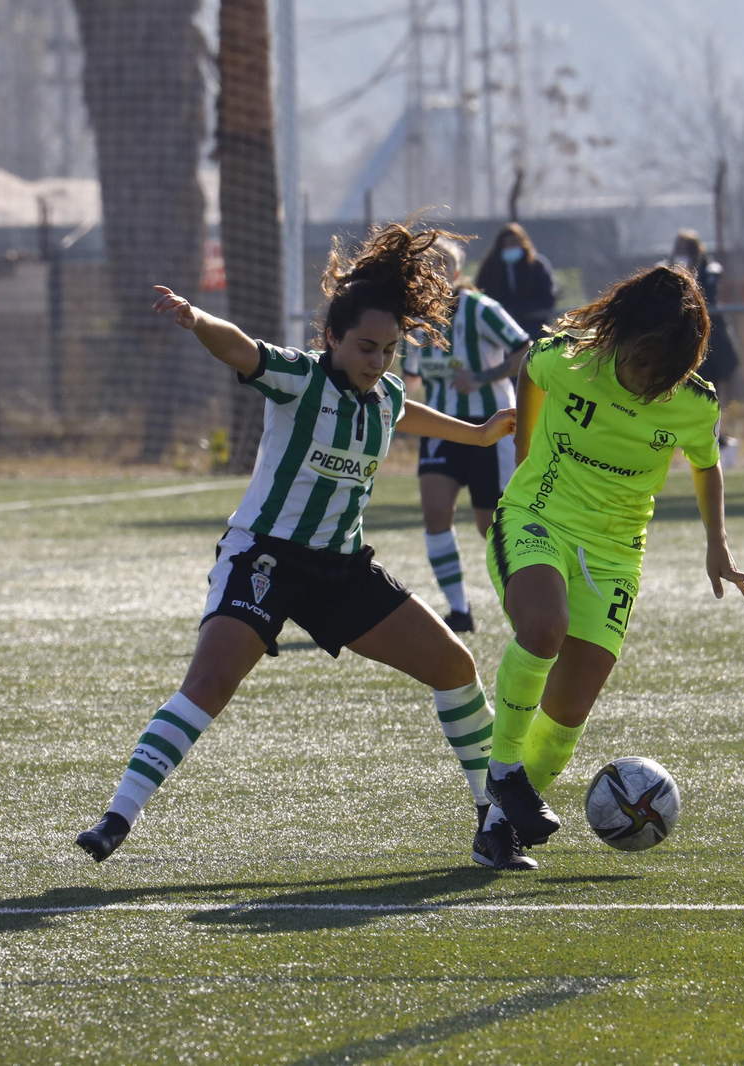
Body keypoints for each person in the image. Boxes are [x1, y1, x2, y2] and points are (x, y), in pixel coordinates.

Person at [74, 224, 517, 864]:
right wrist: (196, 317)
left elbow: (405, 412)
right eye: (365, 346)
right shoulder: (298, 379)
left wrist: (477, 436)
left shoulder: (385, 394)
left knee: (456, 668)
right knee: (209, 683)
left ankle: (492, 820)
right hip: (265, 558)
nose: (376, 361)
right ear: (333, 336)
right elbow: (242, 349)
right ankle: (117, 817)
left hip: (344, 571)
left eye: (388, 351)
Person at [474, 265, 744, 871]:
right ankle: (503, 773)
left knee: (571, 707)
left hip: (615, 553)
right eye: (640, 359)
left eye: (663, 370)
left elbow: (706, 466)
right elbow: (528, 365)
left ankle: (498, 829)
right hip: (538, 516)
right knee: (544, 629)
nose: (645, 377)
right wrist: (524, 452)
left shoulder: (693, 403)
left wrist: (718, 545)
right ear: (621, 337)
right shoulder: (572, 360)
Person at [399, 237, 533, 632]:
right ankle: (459, 611)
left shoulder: (480, 310)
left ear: (457, 274)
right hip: (441, 430)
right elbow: (409, 377)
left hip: (490, 432)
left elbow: (525, 350)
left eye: (443, 266)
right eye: (427, 267)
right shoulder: (417, 322)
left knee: (490, 524)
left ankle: (524, 602)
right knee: (436, 512)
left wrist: (483, 377)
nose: (435, 274)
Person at [665, 230, 741, 467]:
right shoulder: (667, 271)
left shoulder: (709, 271)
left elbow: (707, 299)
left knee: (708, 399)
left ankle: (720, 445)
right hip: (682, 347)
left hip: (709, 348)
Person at [475, 222, 560, 341]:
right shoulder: (490, 268)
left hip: (535, 328)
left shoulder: (537, 266)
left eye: (515, 244)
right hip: (501, 331)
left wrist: (520, 309)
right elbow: (481, 295)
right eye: (507, 245)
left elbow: (548, 298)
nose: (511, 248)